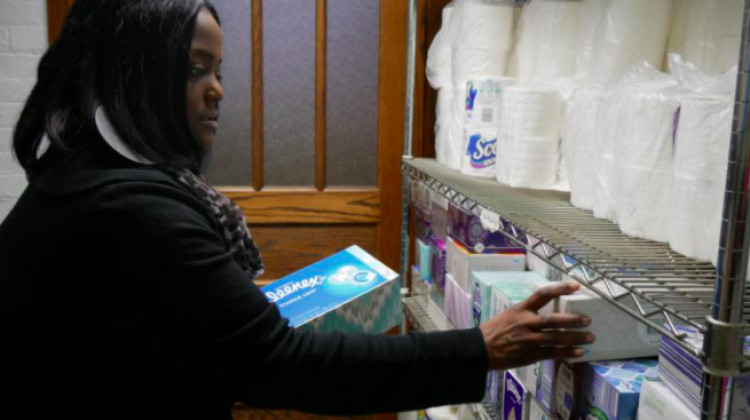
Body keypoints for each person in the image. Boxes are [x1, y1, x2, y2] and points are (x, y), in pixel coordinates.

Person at [0, 1, 594, 419]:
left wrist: (235, 300)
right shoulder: (127, 210)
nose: (218, 91)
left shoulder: (84, 174)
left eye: (219, 70)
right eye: (193, 70)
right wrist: (479, 347)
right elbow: (285, 366)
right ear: (132, 77)